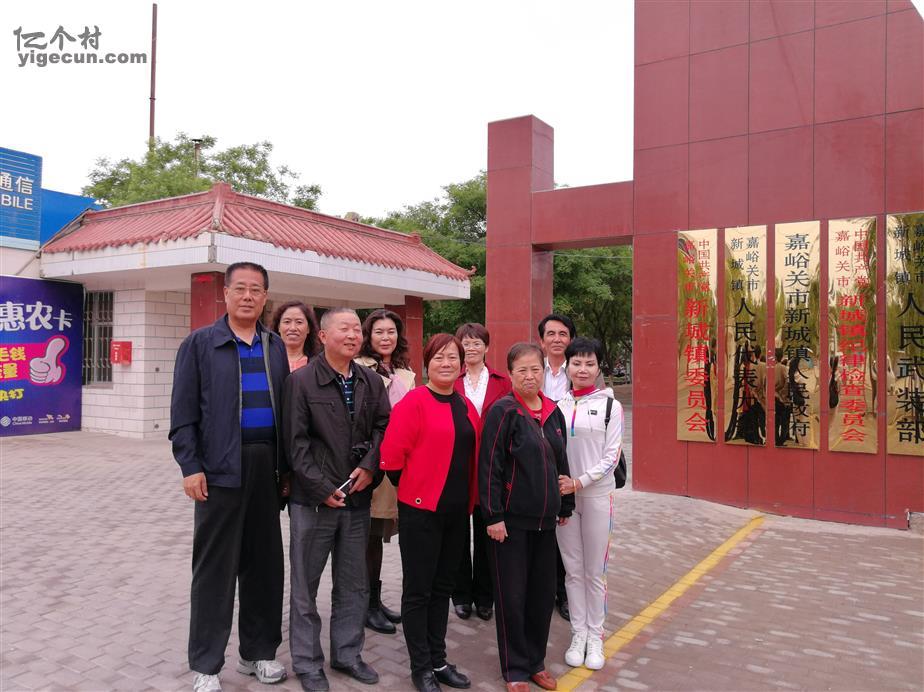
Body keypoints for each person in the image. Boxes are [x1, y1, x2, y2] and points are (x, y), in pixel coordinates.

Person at [169, 262, 288, 692]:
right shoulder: (200, 344)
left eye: (256, 289)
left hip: (266, 468)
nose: (248, 296)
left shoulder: (274, 345)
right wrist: (190, 466)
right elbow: (183, 413)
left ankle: (259, 653)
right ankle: (206, 664)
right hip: (219, 469)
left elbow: (285, 410)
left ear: (265, 296)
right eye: (240, 288)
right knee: (214, 570)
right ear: (226, 293)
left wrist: (287, 470)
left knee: (264, 566)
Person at [282, 308, 391, 692]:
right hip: (313, 503)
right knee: (305, 588)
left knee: (354, 584)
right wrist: (319, 487)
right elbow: (294, 443)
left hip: (357, 499)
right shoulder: (300, 381)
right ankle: (307, 663)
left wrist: (370, 466)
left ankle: (347, 654)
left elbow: (383, 428)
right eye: (344, 329)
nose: (352, 335)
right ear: (324, 336)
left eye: (356, 329)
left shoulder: (370, 381)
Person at [380, 333, 481, 692]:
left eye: (452, 357)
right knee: (419, 591)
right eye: (439, 357)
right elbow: (392, 458)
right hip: (421, 512)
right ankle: (421, 666)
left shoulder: (465, 405)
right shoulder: (414, 402)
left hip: (457, 513)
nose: (446, 363)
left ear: (462, 363)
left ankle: (438, 660)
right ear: (427, 364)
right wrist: (417, 489)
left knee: (442, 589)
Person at [479, 342, 574, 692]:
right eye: (522, 370)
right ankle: (515, 668)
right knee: (512, 598)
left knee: (541, 596)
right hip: (511, 523)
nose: (530, 376)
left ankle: (536, 662)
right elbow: (489, 466)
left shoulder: (552, 411)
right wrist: (493, 516)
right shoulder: (503, 411)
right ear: (511, 374)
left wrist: (566, 505)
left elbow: (561, 462)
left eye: (535, 369)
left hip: (545, 522)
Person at [555, 338, 622, 671]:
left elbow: (612, 457)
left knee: (595, 571)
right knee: (572, 570)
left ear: (598, 368)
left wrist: (579, 482)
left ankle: (596, 635)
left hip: (596, 497)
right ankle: (578, 633)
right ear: (567, 366)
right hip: (565, 501)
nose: (582, 369)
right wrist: (563, 487)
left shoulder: (611, 407)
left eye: (589, 363)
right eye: (576, 363)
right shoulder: (557, 405)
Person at [355, 309, 416, 635]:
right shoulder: (359, 368)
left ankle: (375, 602)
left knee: (378, 534)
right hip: (370, 460)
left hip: (397, 463)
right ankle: (365, 605)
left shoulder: (405, 371)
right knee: (368, 535)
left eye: (391, 331)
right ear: (369, 335)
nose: (385, 337)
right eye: (378, 331)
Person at [451, 322, 511, 622]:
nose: (471, 347)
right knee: (458, 534)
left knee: (489, 531)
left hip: (492, 468)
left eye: (477, 342)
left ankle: (485, 596)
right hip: (458, 466)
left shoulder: (502, 382)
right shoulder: (451, 380)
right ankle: (461, 595)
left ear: (487, 347)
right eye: (466, 342)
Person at [270, 300, 319, 372]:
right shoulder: (266, 361)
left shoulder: (318, 365)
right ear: (278, 327)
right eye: (287, 322)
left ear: (308, 329)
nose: (293, 328)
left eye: (299, 322)